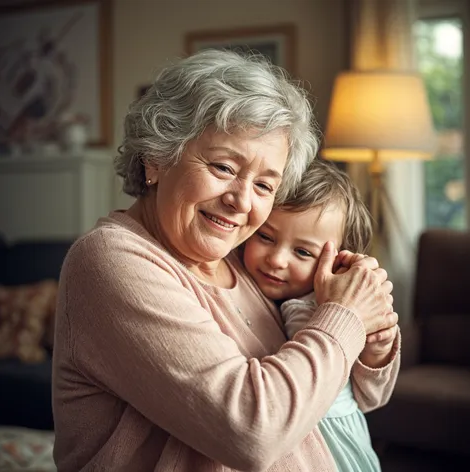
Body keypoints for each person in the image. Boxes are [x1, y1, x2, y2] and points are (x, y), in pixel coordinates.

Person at [52, 49, 399, 472]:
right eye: (223, 167)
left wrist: (373, 336)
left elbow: (361, 394)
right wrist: (345, 315)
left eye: (265, 185)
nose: (241, 201)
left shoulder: (243, 259)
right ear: (156, 158)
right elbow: (252, 431)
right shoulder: (110, 259)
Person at [243, 159, 400, 472]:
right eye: (265, 236)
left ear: (339, 261)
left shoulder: (318, 305)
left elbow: (371, 395)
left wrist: (378, 350)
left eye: (302, 252)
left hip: (332, 440)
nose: (276, 260)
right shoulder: (247, 286)